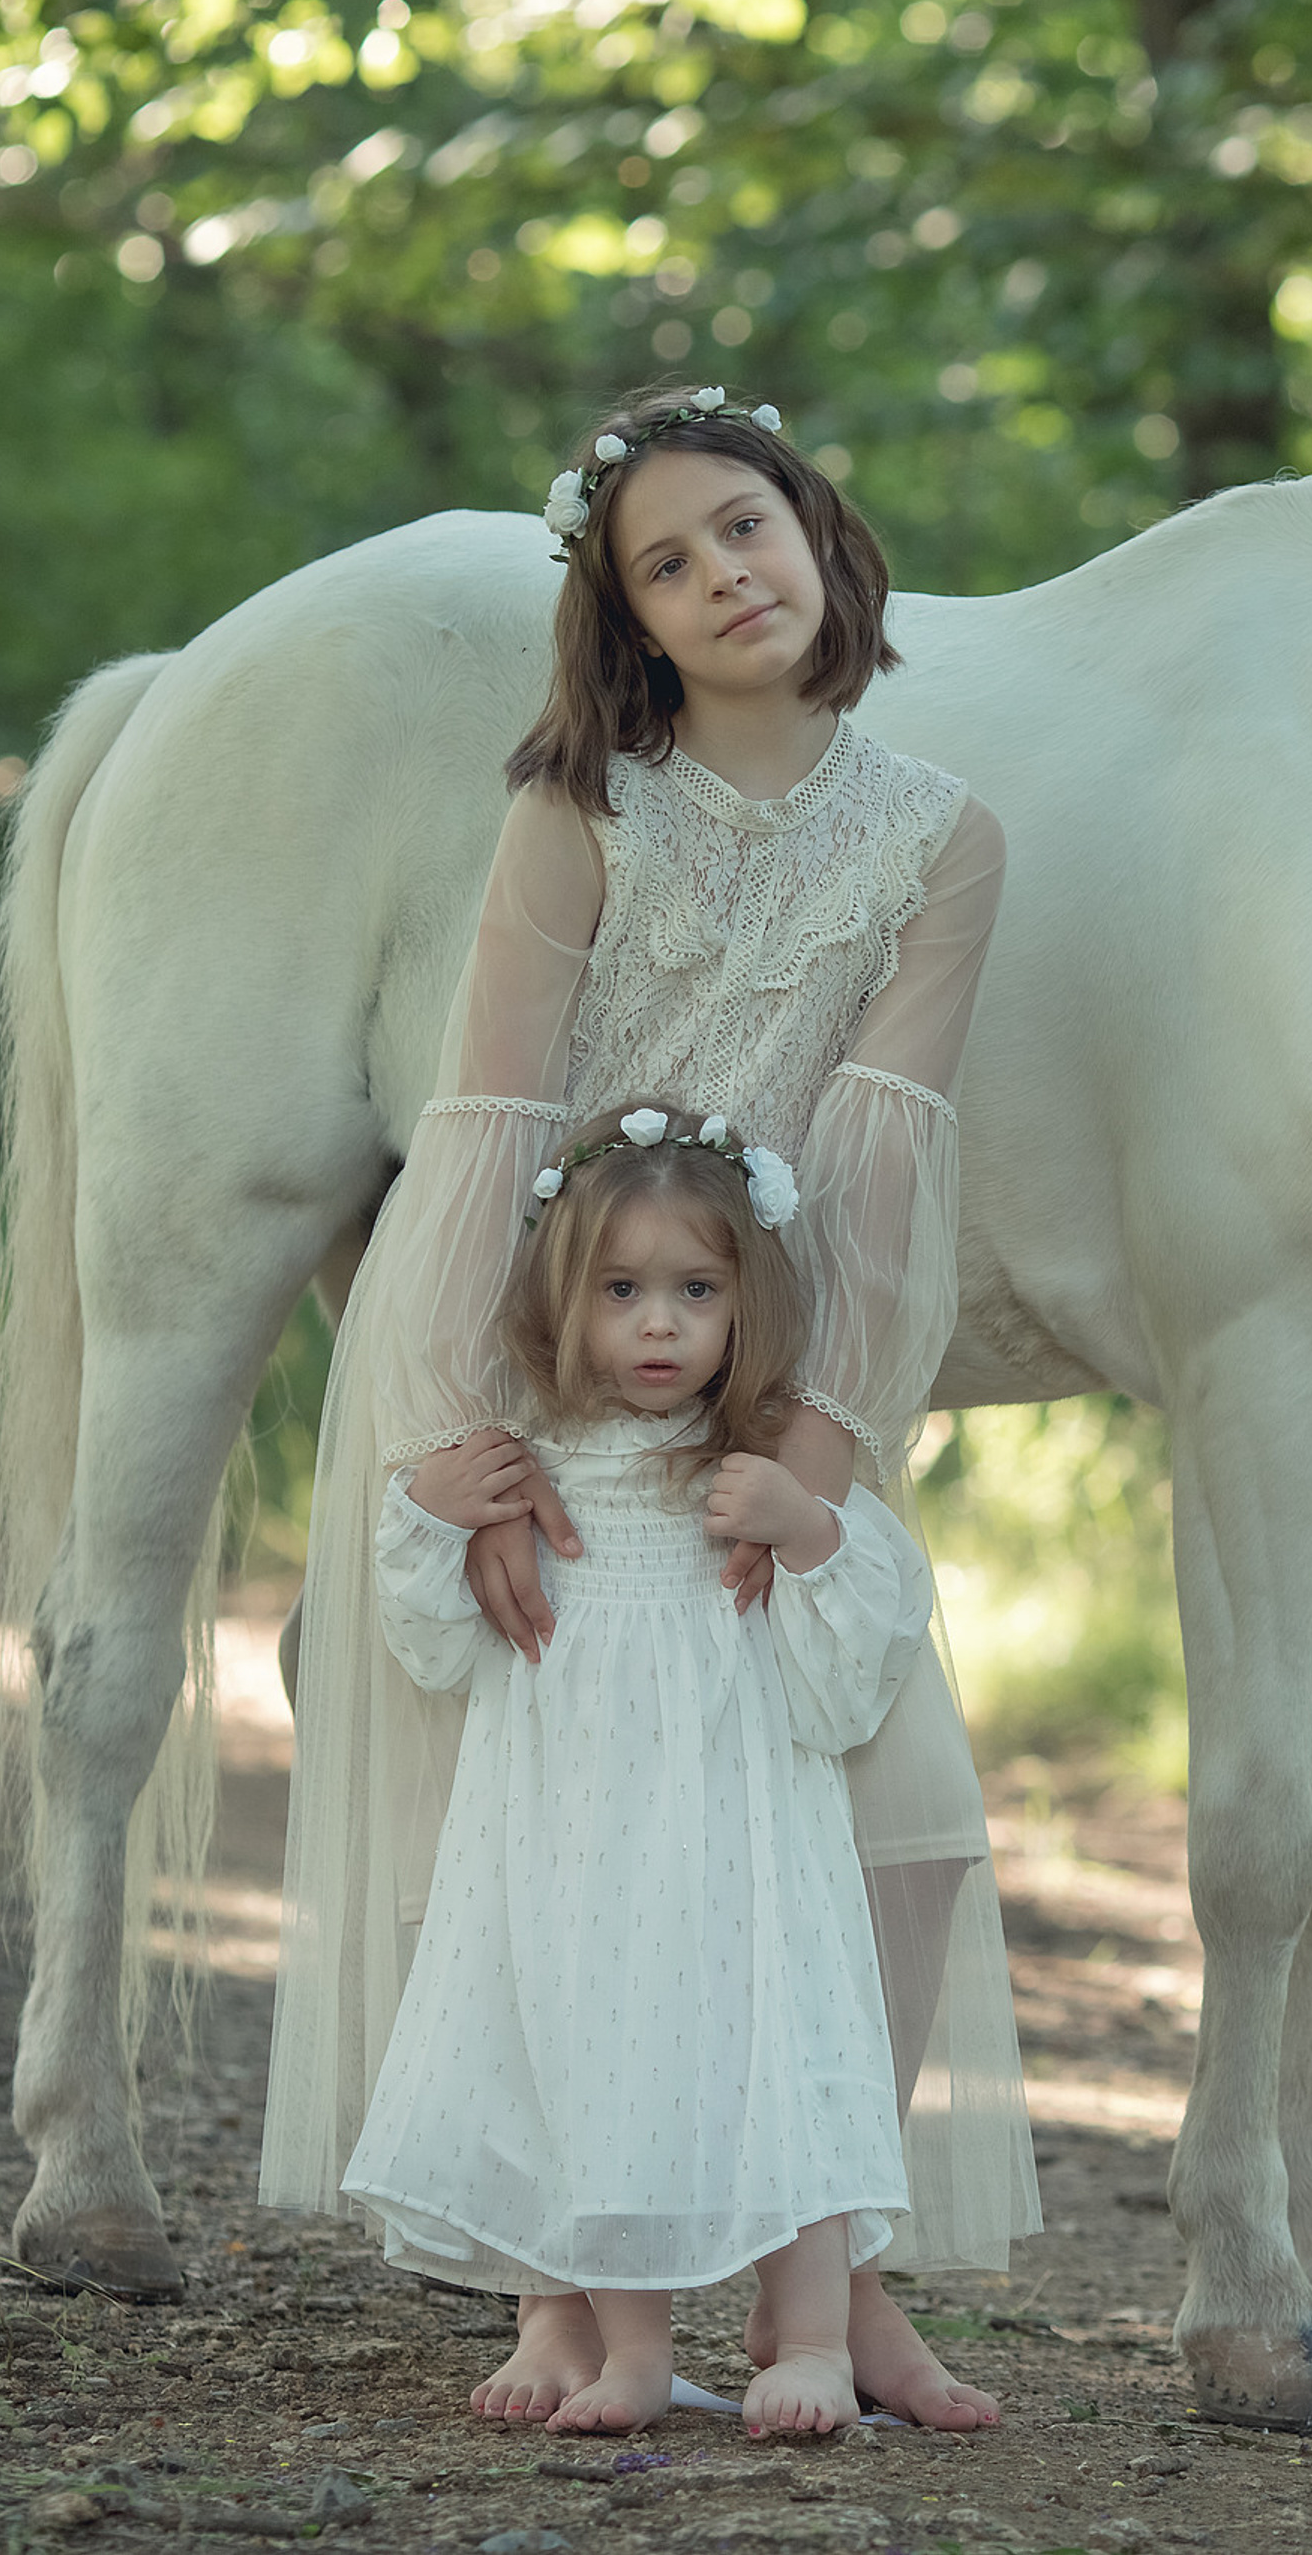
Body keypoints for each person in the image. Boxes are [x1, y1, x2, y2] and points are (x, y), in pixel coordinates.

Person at [261, 382, 1039, 2432]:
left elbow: (879, 1162)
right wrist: (457, 1440)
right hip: (531, 1353)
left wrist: (818, 1458)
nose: (721, 577)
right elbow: (486, 1111)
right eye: (666, 564)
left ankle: (834, 2271)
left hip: (762, 1373)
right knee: (517, 1820)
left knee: (906, 1817)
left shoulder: (941, 835)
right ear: (629, 621)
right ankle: (559, 2281)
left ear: (816, 530)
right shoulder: (581, 808)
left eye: (743, 528)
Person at [343, 1114, 930, 2435]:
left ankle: (817, 2345)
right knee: (593, 2057)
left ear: (744, 1306)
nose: (658, 1326)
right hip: (574, 1835)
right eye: (622, 1291)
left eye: (695, 1291)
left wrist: (811, 1533)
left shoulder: (759, 1471)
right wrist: (432, 1515)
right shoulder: (529, 1473)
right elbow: (436, 1646)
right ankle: (634, 2351)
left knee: (778, 2051)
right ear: (565, 1299)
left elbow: (850, 1679)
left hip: (740, 1832)